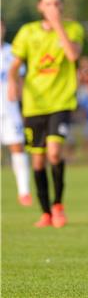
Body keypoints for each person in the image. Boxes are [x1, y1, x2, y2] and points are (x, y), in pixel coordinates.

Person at [8, 0, 84, 228]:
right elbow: (15, 64)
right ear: (40, 7)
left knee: (54, 153)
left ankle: (58, 206)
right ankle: (45, 213)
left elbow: (72, 56)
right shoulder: (27, 32)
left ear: (62, 6)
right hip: (34, 104)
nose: (53, 7)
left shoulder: (73, 29)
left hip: (60, 101)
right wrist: (12, 82)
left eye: (57, 3)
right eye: (48, 4)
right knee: (38, 160)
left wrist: (57, 25)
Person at [1, 21, 32, 206]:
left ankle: (24, 192)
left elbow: (20, 81)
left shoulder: (12, 52)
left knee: (17, 147)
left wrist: (23, 107)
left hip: (9, 109)